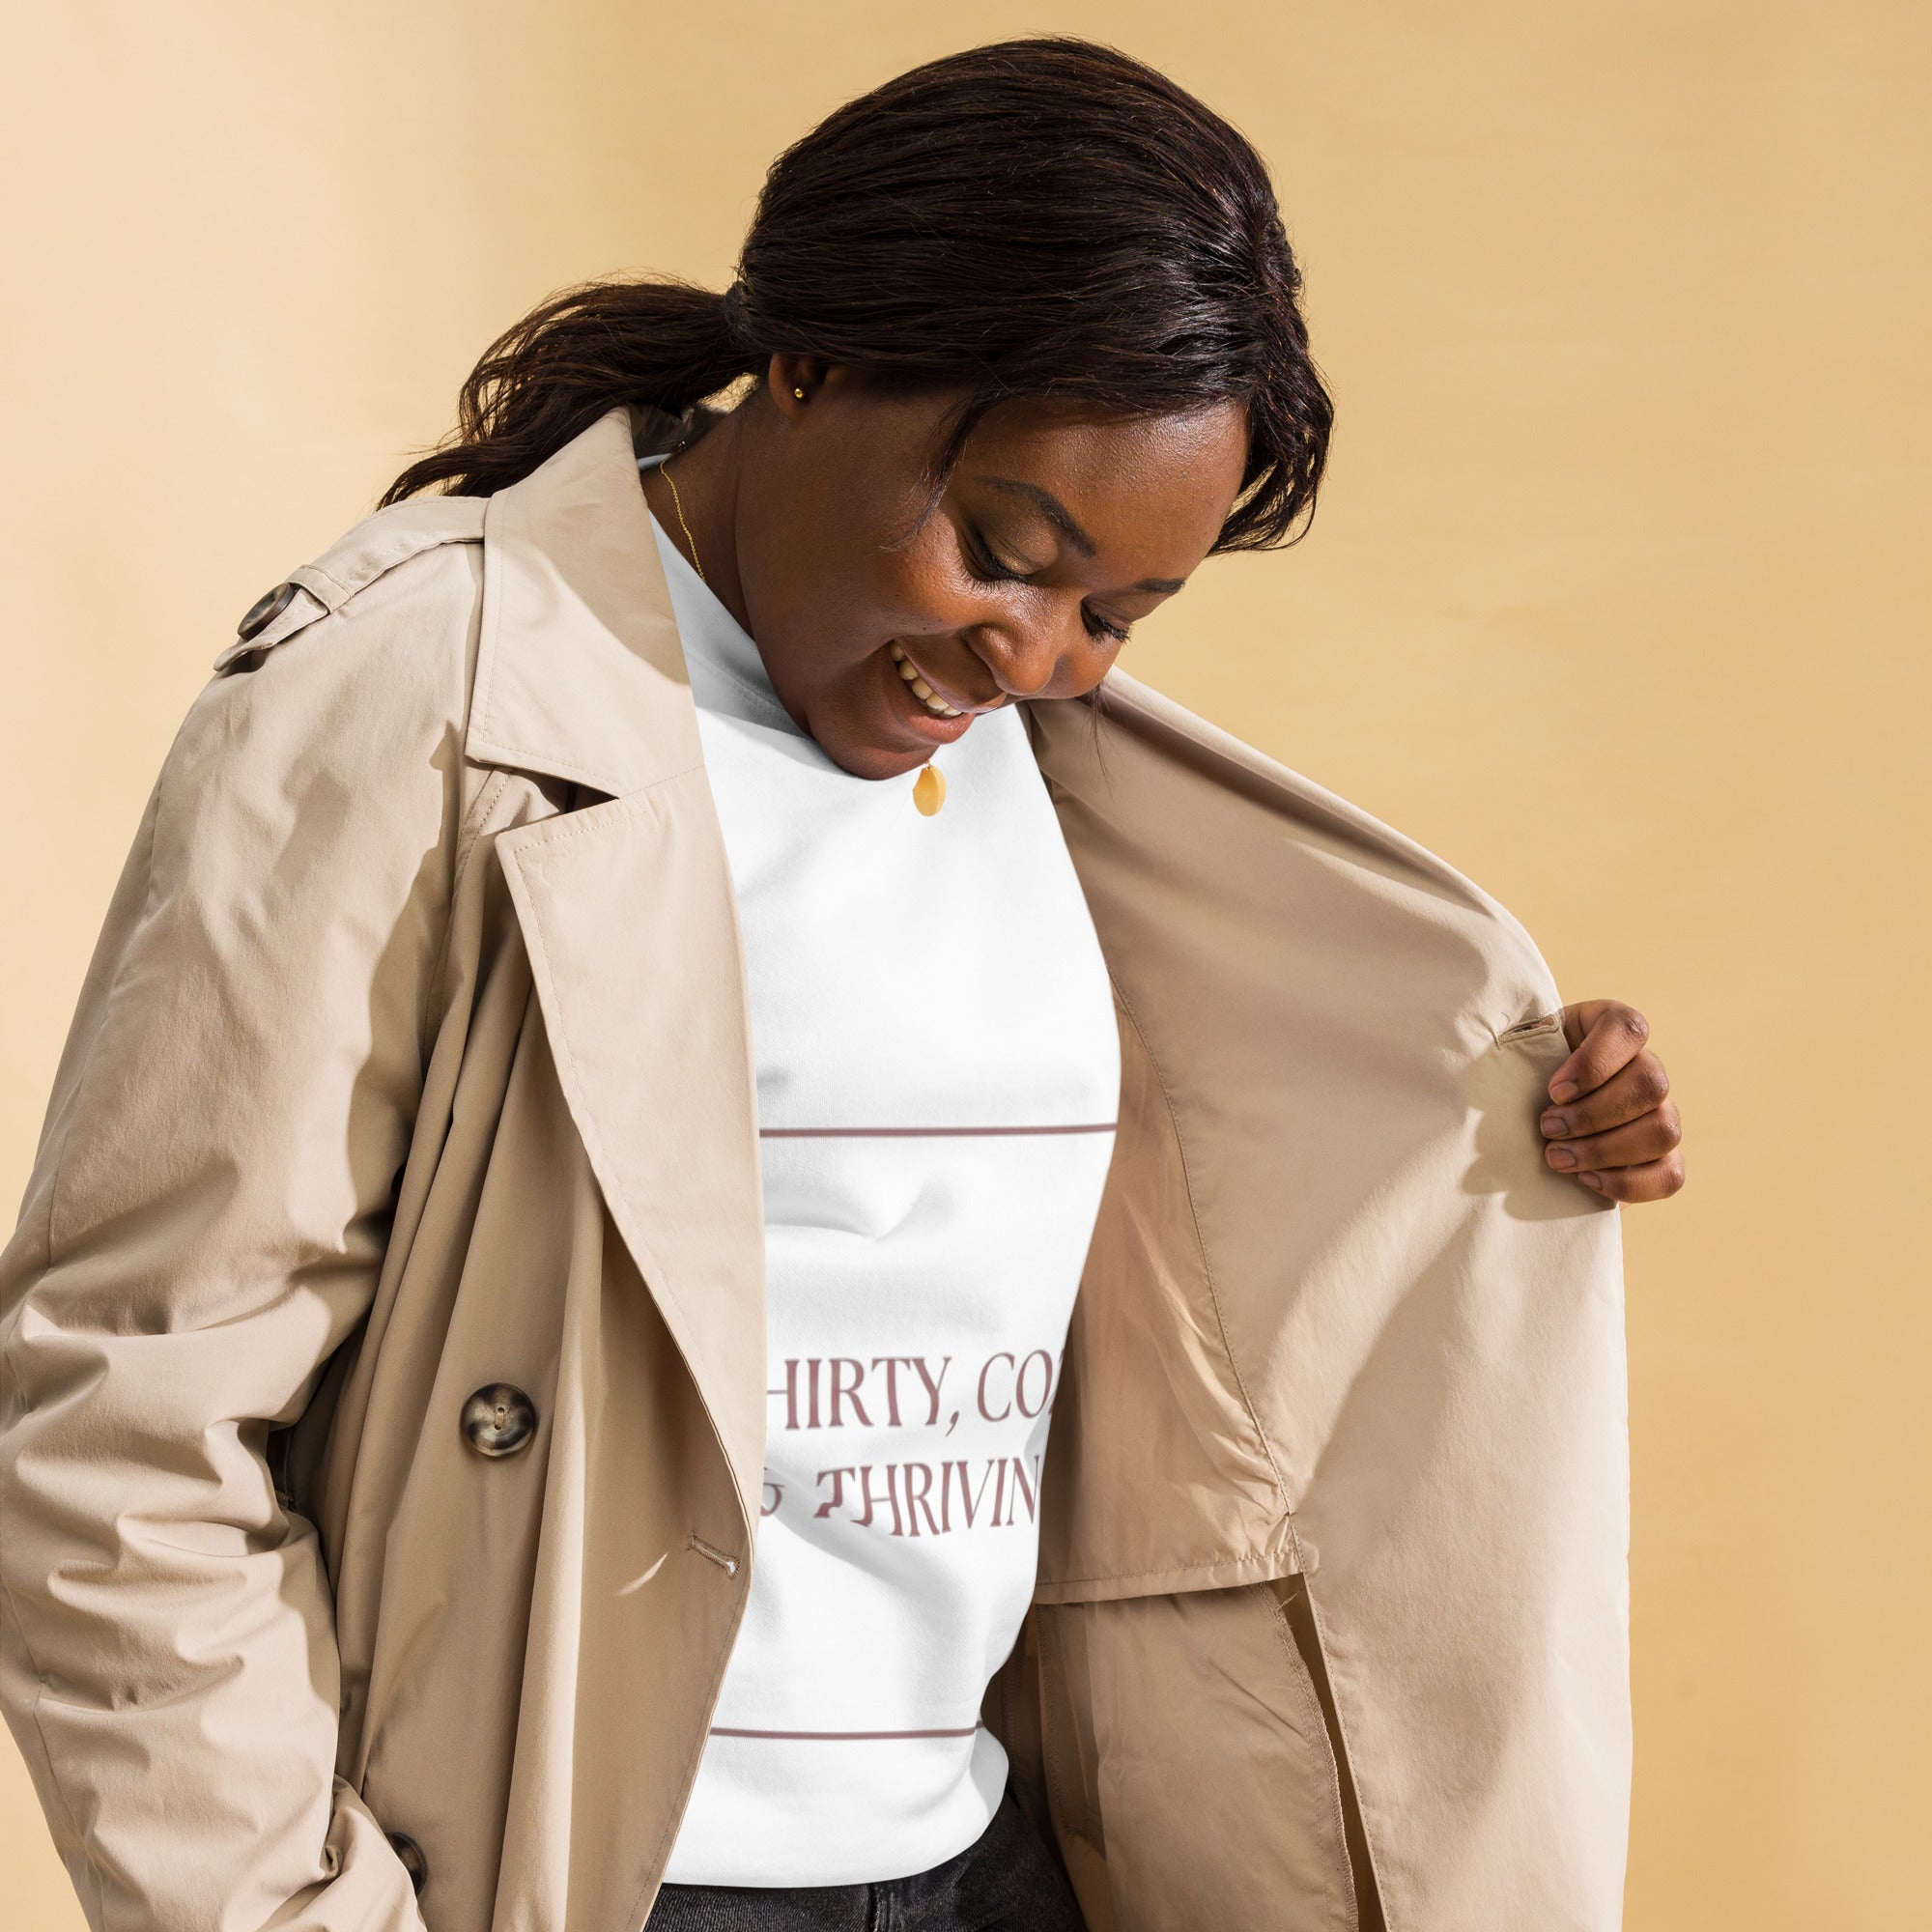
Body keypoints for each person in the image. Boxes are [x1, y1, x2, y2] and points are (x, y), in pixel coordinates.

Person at [0, 37, 1681, 1932]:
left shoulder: (1046, 775)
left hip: (987, 1859)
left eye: (1117, 614)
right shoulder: (421, 698)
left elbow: (1174, 1255)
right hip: (593, 1874)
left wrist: (1497, 1102)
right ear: (814, 363)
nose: (1035, 651)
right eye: (1007, 549)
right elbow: (119, 1423)